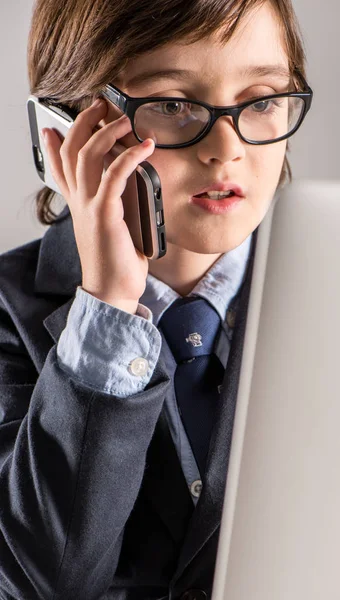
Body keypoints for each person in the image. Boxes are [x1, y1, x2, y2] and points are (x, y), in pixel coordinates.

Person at [0, 0, 312, 598]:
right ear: (65, 129)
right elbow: (44, 581)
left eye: (263, 99)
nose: (226, 148)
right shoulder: (7, 313)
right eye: (172, 105)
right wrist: (108, 306)